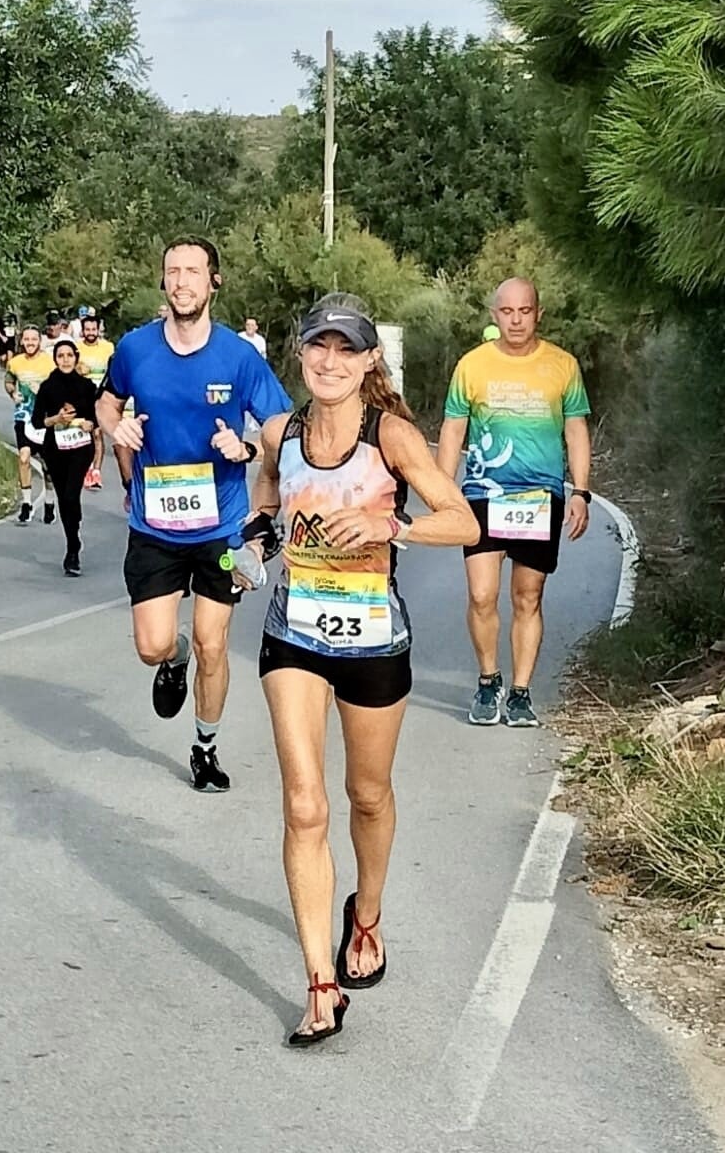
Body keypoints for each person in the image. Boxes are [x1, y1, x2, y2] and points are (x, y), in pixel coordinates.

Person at [251, 295, 480, 1046]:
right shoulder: (278, 432)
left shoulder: (393, 437)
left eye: (345, 350)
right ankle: (320, 984)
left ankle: (367, 916)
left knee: (367, 794)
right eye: (317, 346)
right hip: (295, 637)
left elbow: (463, 521)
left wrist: (392, 523)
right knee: (305, 805)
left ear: (367, 361)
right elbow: (266, 501)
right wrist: (254, 544)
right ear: (299, 353)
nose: (328, 361)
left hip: (374, 641)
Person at [96, 235, 292, 791]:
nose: (182, 281)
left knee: (214, 642)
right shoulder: (135, 349)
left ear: (214, 282)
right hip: (155, 524)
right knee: (152, 645)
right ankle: (171, 658)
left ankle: (205, 747)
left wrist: (249, 450)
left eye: (193, 271)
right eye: (173, 271)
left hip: (221, 525)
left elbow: (280, 427)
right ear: (164, 281)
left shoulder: (239, 356)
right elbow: (106, 401)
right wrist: (117, 426)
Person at [437, 276, 592, 728]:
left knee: (528, 596)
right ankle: (489, 680)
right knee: (482, 595)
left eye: (525, 311)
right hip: (484, 492)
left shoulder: (562, 365)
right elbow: (452, 430)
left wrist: (580, 490)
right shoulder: (472, 365)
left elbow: (576, 429)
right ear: (494, 315)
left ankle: (521, 693)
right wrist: (443, 492)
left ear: (538, 314)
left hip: (540, 495)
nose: (517, 319)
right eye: (507, 311)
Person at [31, 338, 98, 576]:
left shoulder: (88, 386)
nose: (65, 360)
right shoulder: (48, 387)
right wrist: (56, 420)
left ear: (76, 357)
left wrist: (90, 424)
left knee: (72, 493)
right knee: (64, 498)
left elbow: (96, 415)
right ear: (55, 359)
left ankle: (72, 551)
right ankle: (73, 541)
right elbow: (37, 420)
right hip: (55, 449)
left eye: (69, 355)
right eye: (61, 356)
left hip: (80, 448)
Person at [5, 326, 58, 525]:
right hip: (23, 415)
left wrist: (44, 391)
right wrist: (12, 392)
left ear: (39, 341)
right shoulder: (15, 362)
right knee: (24, 457)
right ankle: (27, 504)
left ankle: (50, 502)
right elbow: (9, 380)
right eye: (26, 339)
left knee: (48, 465)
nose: (30, 343)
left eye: (33, 339)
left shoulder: (49, 362)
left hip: (45, 418)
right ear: (22, 341)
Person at [77, 315, 115, 490]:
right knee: (85, 436)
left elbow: (112, 372)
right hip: (82, 398)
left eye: (93, 329)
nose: (90, 333)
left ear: (99, 330)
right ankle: (85, 468)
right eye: (87, 330)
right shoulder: (76, 347)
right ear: (82, 330)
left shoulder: (108, 347)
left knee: (98, 434)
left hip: (101, 398)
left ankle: (96, 473)